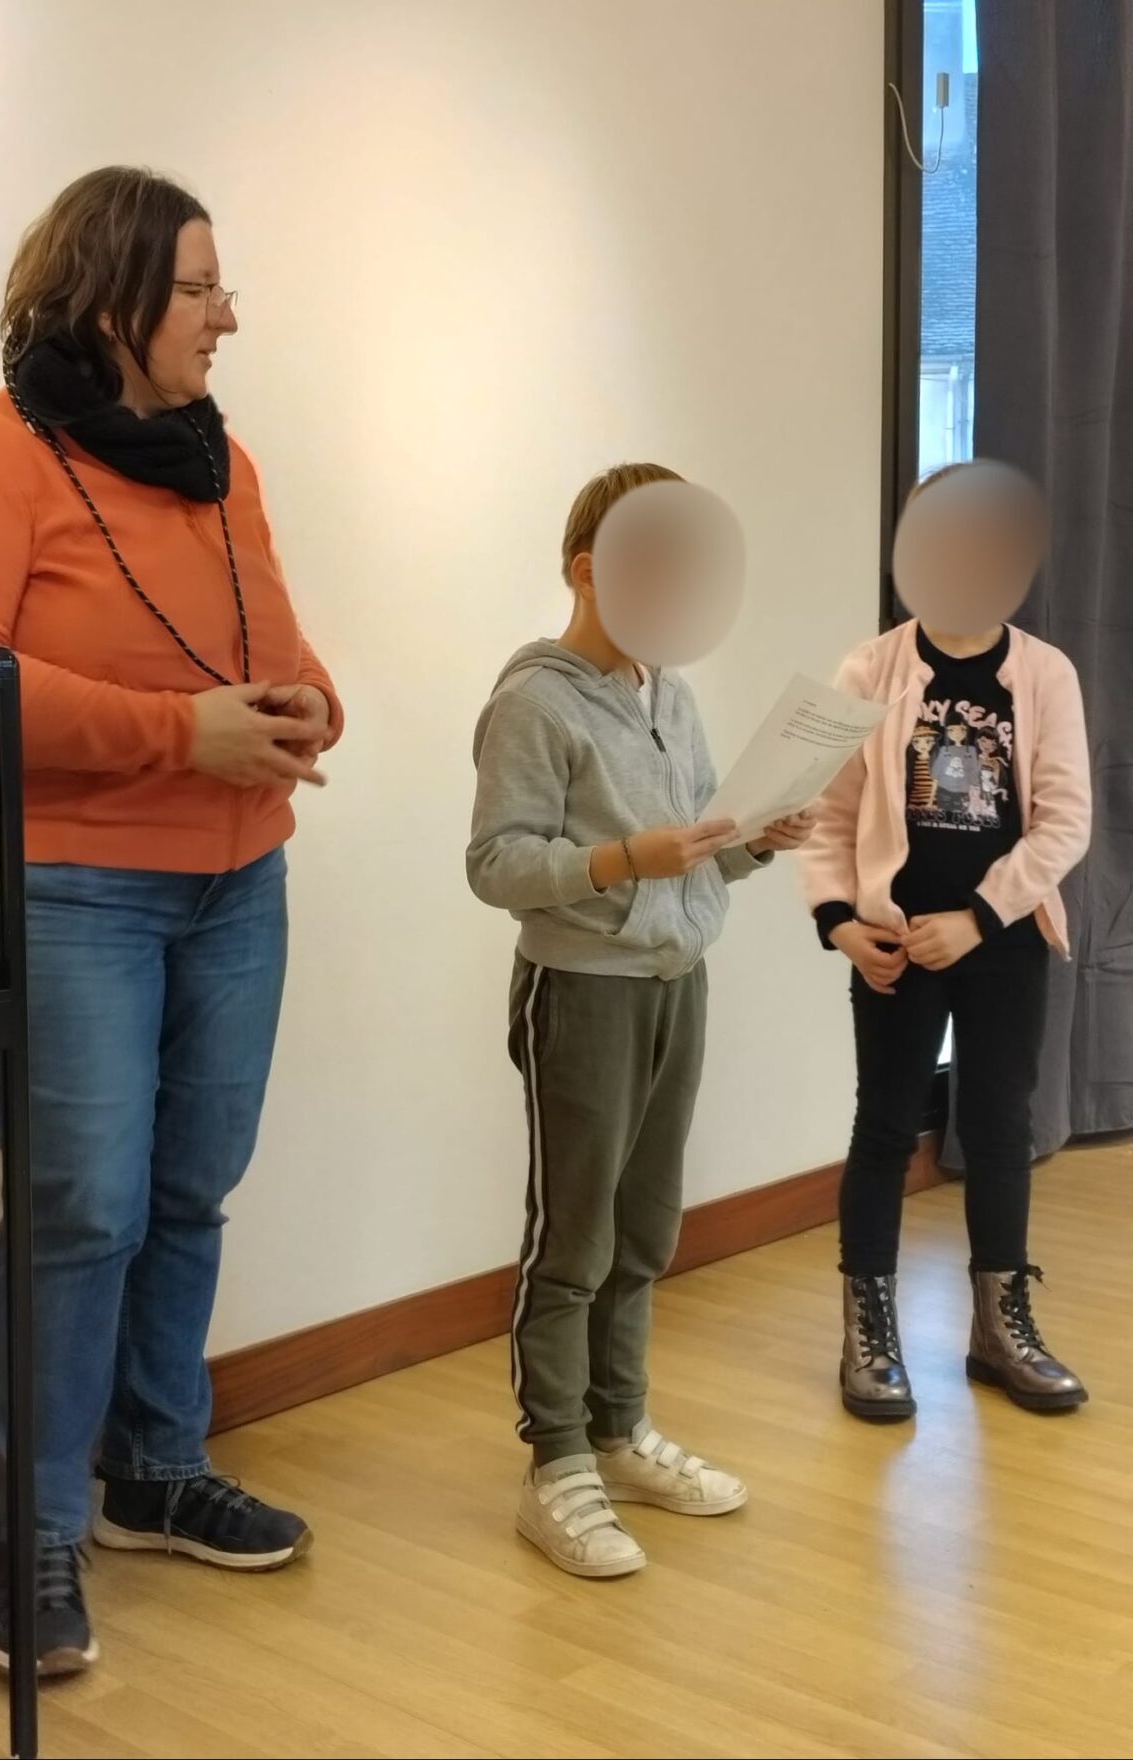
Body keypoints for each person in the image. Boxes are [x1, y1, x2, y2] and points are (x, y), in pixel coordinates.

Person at [0, 167, 342, 1674]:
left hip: (240, 882)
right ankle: (33, 1537)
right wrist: (179, 736)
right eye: (202, 289)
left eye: (222, 287)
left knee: (191, 1189)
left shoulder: (223, 461)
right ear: (112, 300)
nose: (229, 317)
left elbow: (281, 646)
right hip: (71, 888)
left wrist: (311, 704)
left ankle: (154, 1469)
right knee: (81, 1211)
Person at [466, 462, 815, 1579]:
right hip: (581, 991)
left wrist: (758, 839)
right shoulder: (534, 702)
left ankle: (618, 1430)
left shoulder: (673, 696)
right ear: (590, 569)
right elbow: (495, 865)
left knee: (646, 1228)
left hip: (677, 983)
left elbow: (693, 853)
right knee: (572, 1238)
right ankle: (556, 1463)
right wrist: (624, 858)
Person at [799, 470, 1091, 1423]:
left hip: (1000, 939)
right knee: (885, 1128)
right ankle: (869, 1334)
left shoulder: (1045, 673)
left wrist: (979, 914)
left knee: (1001, 1127)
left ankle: (1000, 1330)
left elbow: (1065, 823)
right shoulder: (868, 671)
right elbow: (829, 814)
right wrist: (841, 923)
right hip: (894, 941)